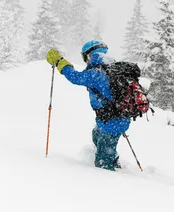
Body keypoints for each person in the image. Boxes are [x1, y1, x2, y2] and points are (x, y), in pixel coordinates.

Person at [46, 40, 130, 171]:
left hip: (111, 121)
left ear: (89, 55)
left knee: (102, 163)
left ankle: (111, 177)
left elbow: (74, 77)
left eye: (84, 57)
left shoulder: (96, 73)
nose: (85, 61)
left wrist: (59, 62)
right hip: (116, 117)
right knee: (97, 134)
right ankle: (112, 158)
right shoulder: (113, 69)